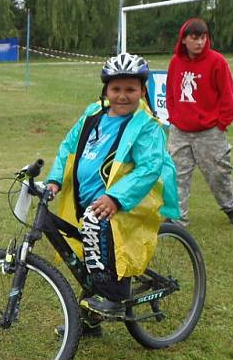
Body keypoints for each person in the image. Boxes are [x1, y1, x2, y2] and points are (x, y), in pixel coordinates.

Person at [45, 53, 180, 329]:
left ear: (143, 90)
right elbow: (68, 148)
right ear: (106, 90)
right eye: (116, 89)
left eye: (130, 89)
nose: (122, 96)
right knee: (88, 258)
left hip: (129, 202)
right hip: (88, 200)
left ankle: (116, 297)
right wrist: (55, 179)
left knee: (96, 227)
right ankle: (91, 316)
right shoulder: (92, 115)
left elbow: (149, 168)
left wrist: (116, 198)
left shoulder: (147, 126)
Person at [166, 18, 233, 228]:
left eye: (203, 37)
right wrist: (174, 116)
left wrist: (221, 123)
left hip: (210, 131)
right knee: (177, 175)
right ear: (184, 40)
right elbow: (171, 92)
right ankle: (177, 217)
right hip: (180, 130)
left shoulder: (217, 62)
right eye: (194, 38)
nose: (199, 42)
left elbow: (228, 96)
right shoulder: (175, 62)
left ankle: (229, 207)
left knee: (219, 173)